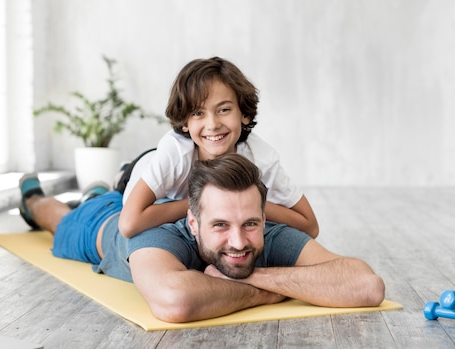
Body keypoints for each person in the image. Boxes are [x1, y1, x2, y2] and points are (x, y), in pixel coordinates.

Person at [25, 154, 386, 324]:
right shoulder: (159, 234)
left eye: (249, 224)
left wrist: (257, 277)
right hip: (105, 222)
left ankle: (105, 186)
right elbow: (175, 301)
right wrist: (281, 290)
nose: (239, 242)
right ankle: (35, 197)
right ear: (193, 223)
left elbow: (365, 285)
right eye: (220, 226)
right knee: (56, 218)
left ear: (263, 217)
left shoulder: (269, 235)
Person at [118, 57, 318, 239]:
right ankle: (121, 173)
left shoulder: (261, 157)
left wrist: (250, 203)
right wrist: (207, 203)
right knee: (122, 181)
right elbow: (128, 224)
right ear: (185, 122)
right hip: (143, 167)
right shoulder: (175, 152)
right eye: (198, 113)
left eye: (224, 110)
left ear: (244, 114)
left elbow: (310, 226)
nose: (212, 124)